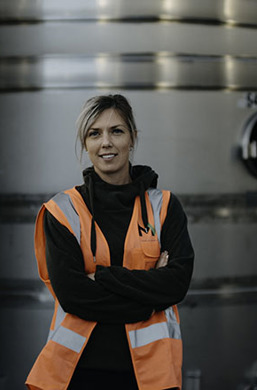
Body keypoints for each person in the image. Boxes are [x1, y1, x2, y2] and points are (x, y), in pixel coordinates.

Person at [26, 94, 194, 390]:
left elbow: (176, 284)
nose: (106, 142)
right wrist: (148, 297)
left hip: (150, 376)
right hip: (76, 372)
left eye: (116, 131)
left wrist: (102, 276)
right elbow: (73, 295)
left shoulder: (165, 207)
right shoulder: (63, 211)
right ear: (85, 143)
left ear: (132, 138)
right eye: (95, 133)